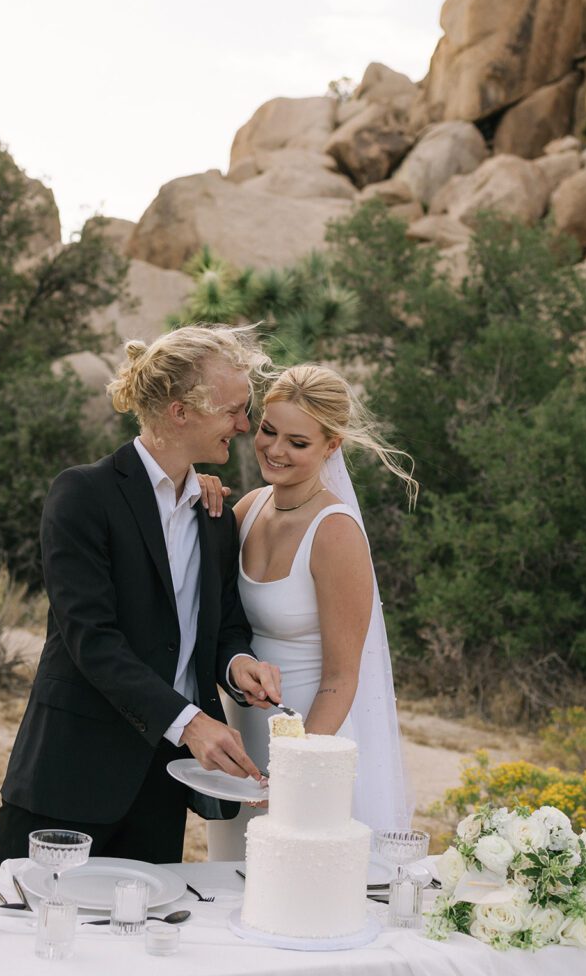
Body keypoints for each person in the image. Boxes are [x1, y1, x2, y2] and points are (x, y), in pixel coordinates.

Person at [0, 324, 282, 867]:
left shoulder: (214, 514)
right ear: (180, 412)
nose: (244, 426)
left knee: (139, 942)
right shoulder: (82, 494)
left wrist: (238, 662)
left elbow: (222, 625)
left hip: (162, 782)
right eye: (233, 410)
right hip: (70, 771)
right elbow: (91, 640)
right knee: (17, 930)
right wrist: (192, 723)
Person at [206, 363, 417, 861]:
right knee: (230, 878)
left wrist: (295, 773)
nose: (276, 451)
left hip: (312, 741)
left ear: (331, 446)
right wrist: (199, 492)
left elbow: (343, 677)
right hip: (243, 737)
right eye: (268, 431)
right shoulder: (248, 509)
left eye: (298, 443)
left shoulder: (336, 532)